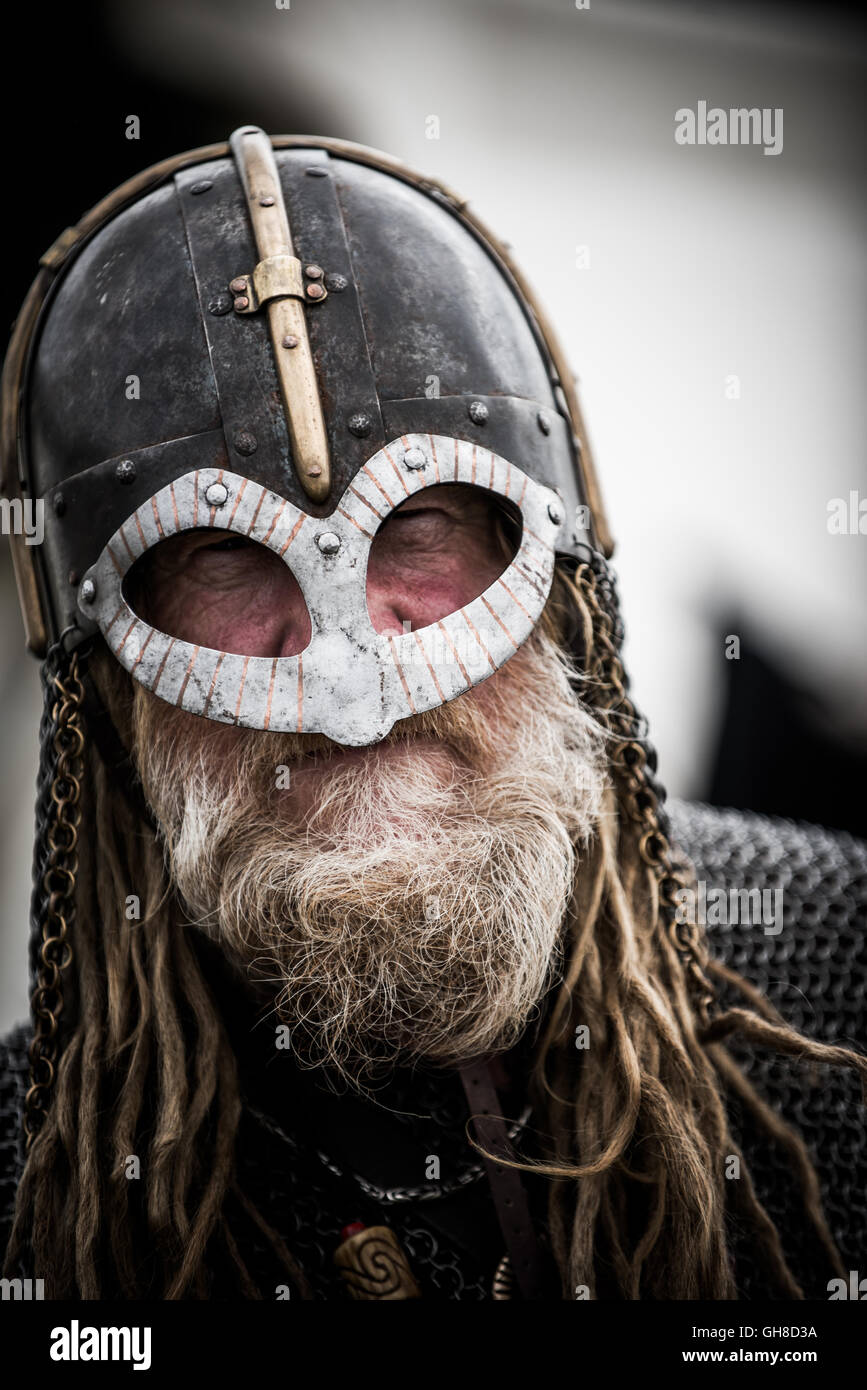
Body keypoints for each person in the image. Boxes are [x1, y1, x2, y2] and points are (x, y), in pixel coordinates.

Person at [0, 126, 864, 1302]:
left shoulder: (844, 957)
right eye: (218, 552)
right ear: (106, 681)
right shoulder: (29, 1186)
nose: (346, 654)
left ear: (557, 588)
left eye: (420, 524)